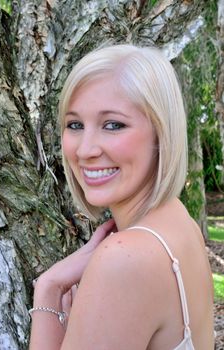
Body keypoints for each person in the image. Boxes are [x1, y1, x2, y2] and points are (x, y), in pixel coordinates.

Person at [29, 44, 214, 350]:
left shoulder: (124, 259)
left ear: (161, 134)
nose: (86, 149)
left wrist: (48, 289)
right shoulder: (178, 221)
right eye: (75, 124)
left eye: (113, 125)